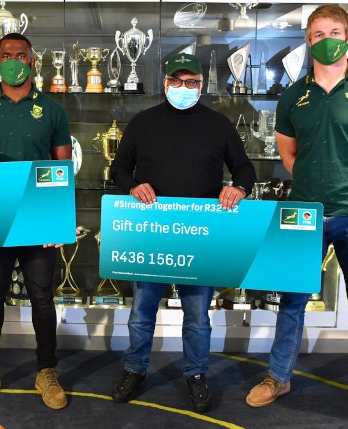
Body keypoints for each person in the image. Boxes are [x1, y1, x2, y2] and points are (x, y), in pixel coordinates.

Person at [245, 6, 348, 429]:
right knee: (292, 301)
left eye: (335, 31)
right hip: (304, 215)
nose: (327, 38)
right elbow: (288, 153)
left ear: (347, 37)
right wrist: (315, 186)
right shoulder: (293, 95)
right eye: (318, 33)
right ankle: (279, 377)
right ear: (308, 40)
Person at [109, 53, 257, 412]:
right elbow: (118, 169)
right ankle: (135, 368)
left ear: (201, 86)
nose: (184, 88)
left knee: (196, 316)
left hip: (199, 235)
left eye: (192, 82)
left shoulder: (219, 124)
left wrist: (238, 189)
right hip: (151, 231)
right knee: (142, 311)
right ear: (165, 84)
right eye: (177, 81)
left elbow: (244, 169)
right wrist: (132, 186)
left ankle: (195, 373)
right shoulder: (142, 123)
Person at [0, 33, 72, 411]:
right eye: (7, 55)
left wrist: (57, 222)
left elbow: (63, 168)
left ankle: (46, 371)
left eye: (21, 55)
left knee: (42, 296)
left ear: (33, 62)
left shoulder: (52, 110)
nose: (14, 61)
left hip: (38, 218)